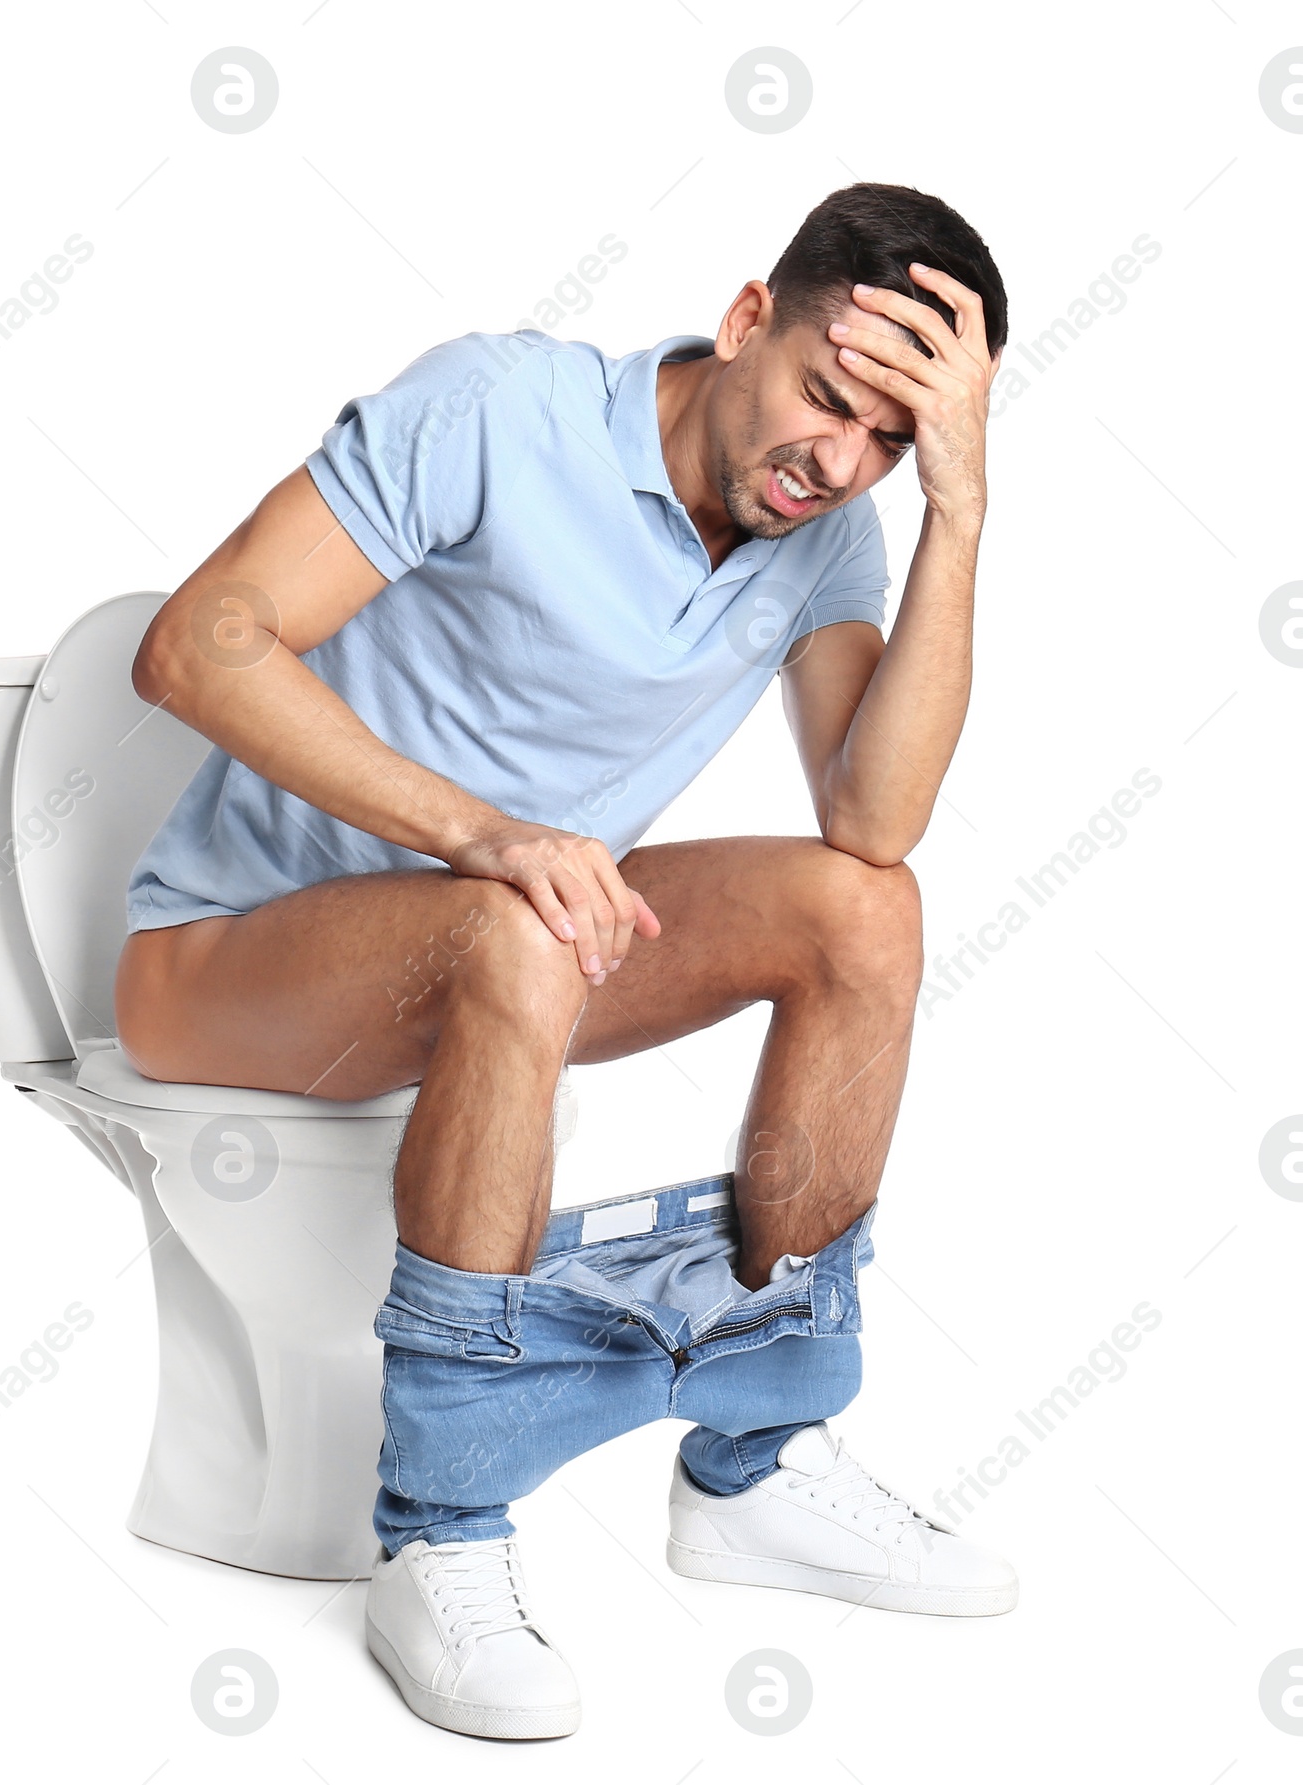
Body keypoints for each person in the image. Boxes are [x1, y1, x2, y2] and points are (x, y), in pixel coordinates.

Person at [116, 182, 1015, 1740]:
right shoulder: (504, 405)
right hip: (219, 957)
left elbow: (873, 814)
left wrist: (961, 507)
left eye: (889, 438)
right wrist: (483, 834)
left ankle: (759, 1451)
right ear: (745, 319)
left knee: (868, 910)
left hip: (504, 954)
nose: (837, 460)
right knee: (516, 927)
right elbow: (196, 643)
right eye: (824, 395)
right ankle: (440, 1524)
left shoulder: (829, 535)